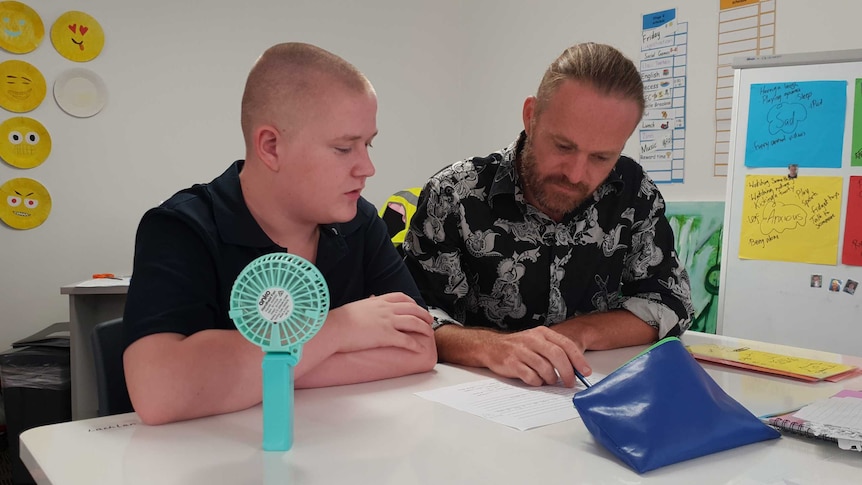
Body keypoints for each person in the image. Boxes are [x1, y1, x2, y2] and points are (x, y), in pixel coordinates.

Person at [122, 43, 436, 425]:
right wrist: (341, 328)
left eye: (367, 144)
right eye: (343, 147)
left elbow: (421, 348)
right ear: (271, 147)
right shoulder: (182, 227)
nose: (367, 168)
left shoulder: (361, 222)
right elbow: (161, 392)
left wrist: (245, 373)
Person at [403, 42, 693, 389]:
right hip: (475, 401)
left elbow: (669, 303)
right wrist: (493, 347)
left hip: (589, 392)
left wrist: (578, 333)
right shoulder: (454, 194)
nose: (574, 174)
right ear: (531, 115)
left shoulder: (633, 191)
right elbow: (417, 318)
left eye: (601, 157)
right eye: (562, 146)